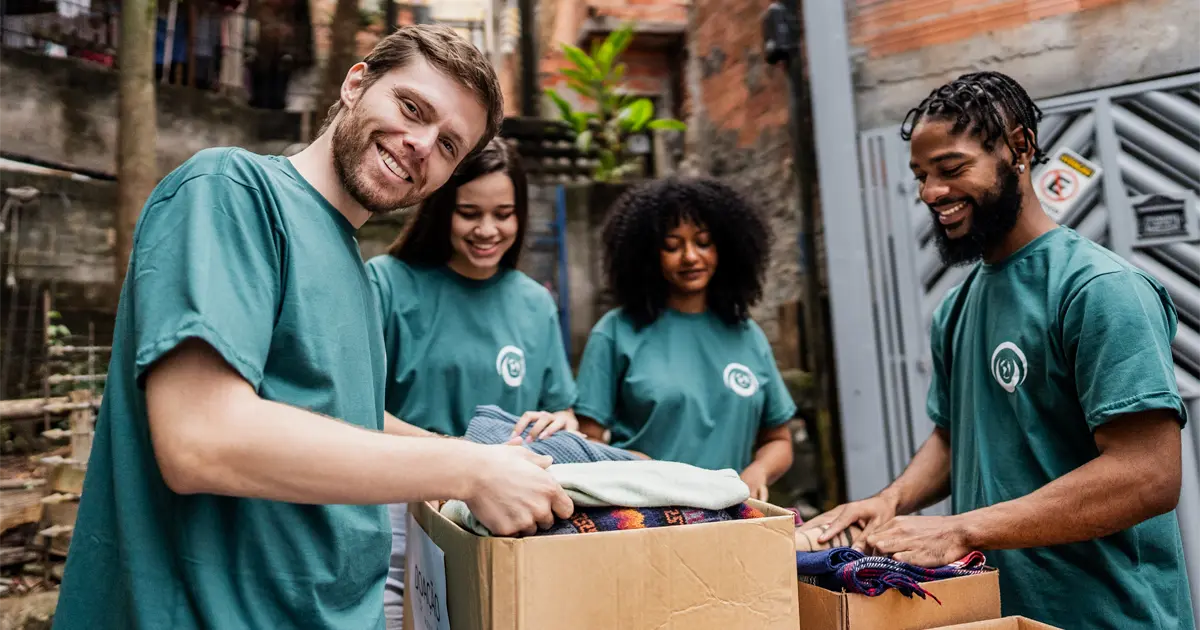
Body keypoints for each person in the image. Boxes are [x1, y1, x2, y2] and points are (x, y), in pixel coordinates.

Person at [54, 25, 573, 630]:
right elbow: (202, 436)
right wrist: (468, 472)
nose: (421, 145)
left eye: (449, 145)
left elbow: (342, 416)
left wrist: (477, 452)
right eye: (411, 108)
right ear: (356, 83)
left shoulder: (353, 266)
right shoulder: (232, 190)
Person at [809, 70, 1194, 629]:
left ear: (1019, 148)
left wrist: (962, 527)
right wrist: (892, 499)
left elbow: (1147, 475)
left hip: (1107, 615)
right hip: (1000, 615)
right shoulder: (958, 305)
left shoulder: (1099, 290)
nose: (931, 192)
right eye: (921, 175)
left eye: (951, 169)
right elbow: (955, 434)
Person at [365, 137, 579, 629]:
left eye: (503, 213)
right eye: (469, 213)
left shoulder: (535, 303)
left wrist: (558, 421)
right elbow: (356, 408)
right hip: (404, 509)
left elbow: (564, 410)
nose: (488, 230)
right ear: (442, 210)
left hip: (510, 515)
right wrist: (458, 457)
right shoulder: (389, 283)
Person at [572, 177, 796, 500]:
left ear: (726, 248)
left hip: (731, 518)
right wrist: (632, 466)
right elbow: (586, 444)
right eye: (672, 246)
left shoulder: (747, 334)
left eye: (703, 242)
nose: (690, 257)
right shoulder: (616, 332)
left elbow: (779, 439)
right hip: (646, 519)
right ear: (648, 254)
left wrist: (758, 471)